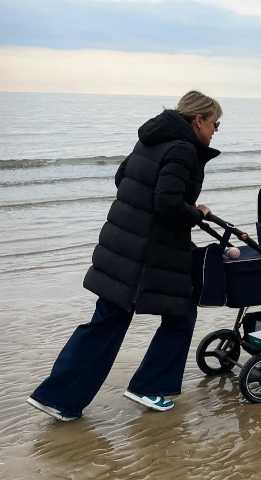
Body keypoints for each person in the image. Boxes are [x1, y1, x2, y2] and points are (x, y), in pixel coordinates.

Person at [26, 90, 222, 421]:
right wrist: (197, 213)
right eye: (215, 124)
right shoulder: (183, 149)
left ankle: (58, 397)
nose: (216, 131)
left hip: (122, 246)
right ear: (198, 120)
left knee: (107, 319)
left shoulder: (150, 138)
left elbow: (123, 179)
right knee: (182, 311)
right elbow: (167, 203)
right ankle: (149, 387)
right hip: (150, 253)